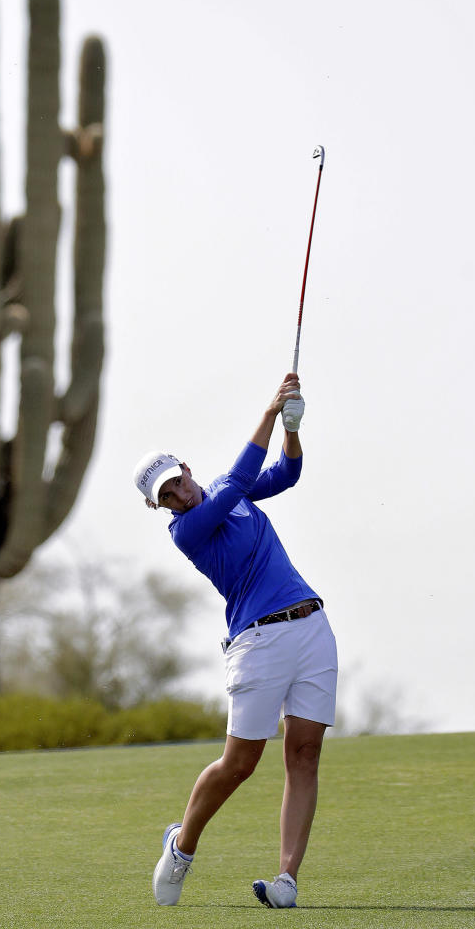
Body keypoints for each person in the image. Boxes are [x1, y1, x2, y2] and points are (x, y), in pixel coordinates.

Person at [132, 373, 337, 910]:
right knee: (240, 764)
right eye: (166, 494)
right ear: (160, 506)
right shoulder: (188, 531)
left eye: (177, 480)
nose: (178, 492)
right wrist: (269, 414)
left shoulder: (228, 490)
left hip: (312, 626)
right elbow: (243, 475)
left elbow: (286, 473)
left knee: (305, 753)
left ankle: (287, 880)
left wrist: (291, 428)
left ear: (186, 468)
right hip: (258, 643)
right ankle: (181, 846)